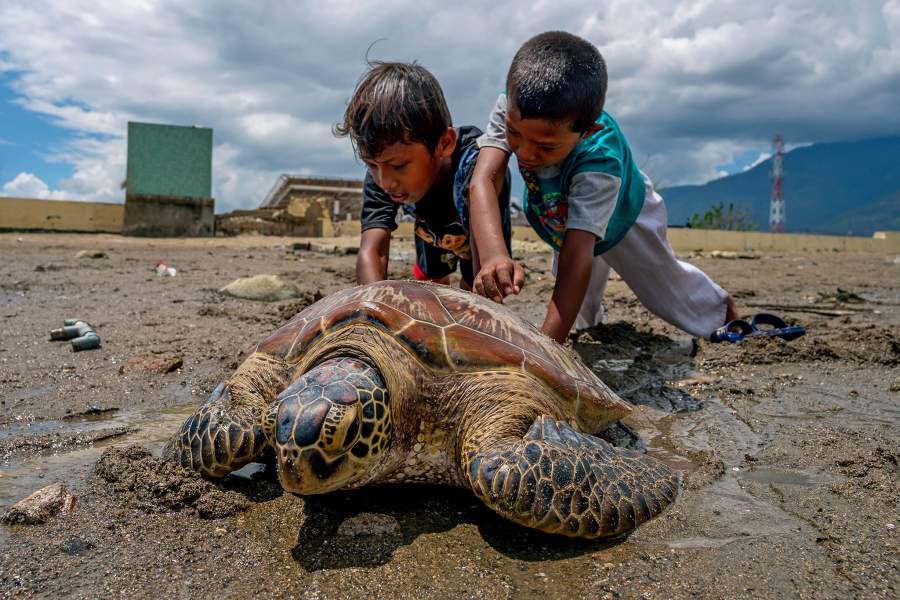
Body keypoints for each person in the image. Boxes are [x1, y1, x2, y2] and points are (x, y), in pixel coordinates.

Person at [468, 31, 737, 343]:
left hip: (626, 219)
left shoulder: (600, 166)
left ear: (587, 131)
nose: (525, 154)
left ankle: (725, 317)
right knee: (577, 311)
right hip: (564, 218)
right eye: (515, 135)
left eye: (545, 146)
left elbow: (576, 255)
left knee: (667, 292)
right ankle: (589, 332)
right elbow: (483, 180)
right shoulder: (514, 107)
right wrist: (493, 256)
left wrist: (544, 352)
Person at [335, 61, 512, 289]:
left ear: (444, 144)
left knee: (475, 286)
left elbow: (488, 268)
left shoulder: (475, 168)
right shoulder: (383, 172)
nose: (385, 182)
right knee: (430, 283)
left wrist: (487, 284)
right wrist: (372, 310)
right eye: (371, 165)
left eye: (398, 166)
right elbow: (373, 249)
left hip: (478, 230)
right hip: (431, 229)